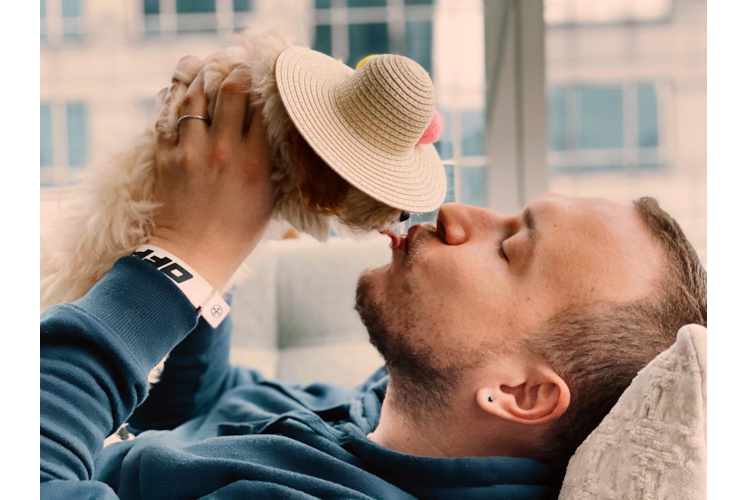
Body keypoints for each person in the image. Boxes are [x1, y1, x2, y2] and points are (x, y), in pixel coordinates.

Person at [40, 56, 707, 499]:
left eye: (509, 248)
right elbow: (194, 410)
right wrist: (221, 220)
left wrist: (184, 261)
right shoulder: (384, 412)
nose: (454, 211)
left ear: (520, 393)